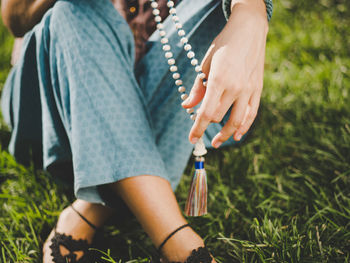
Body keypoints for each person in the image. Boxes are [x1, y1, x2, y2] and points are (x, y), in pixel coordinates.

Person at [1, 0, 272, 262]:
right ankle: (178, 242)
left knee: (219, 6)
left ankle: (91, 210)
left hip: (160, 89)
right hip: (58, 102)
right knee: (75, 9)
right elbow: (16, 17)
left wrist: (251, 14)